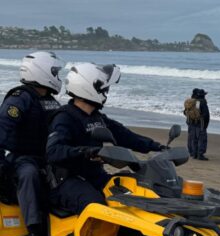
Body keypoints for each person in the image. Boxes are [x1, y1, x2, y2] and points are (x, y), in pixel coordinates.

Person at [47, 63, 165, 215]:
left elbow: (124, 135)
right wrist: (87, 151)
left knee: (132, 190)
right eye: (104, 89)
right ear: (88, 87)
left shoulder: (96, 116)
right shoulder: (64, 118)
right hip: (67, 180)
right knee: (96, 206)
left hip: (94, 175)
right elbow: (54, 151)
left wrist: (155, 146)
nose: (106, 92)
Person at [0, 51, 64, 236]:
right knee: (29, 175)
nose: (57, 76)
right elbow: (3, 128)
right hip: (21, 158)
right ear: (42, 71)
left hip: (47, 156)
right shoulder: (20, 99)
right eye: (54, 71)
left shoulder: (52, 101)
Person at [184, 88, 210, 160]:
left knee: (194, 139)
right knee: (202, 139)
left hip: (192, 124)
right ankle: (200, 155)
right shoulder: (202, 102)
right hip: (201, 125)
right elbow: (206, 114)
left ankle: (194, 154)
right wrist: (204, 123)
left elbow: (185, 112)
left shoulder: (192, 102)